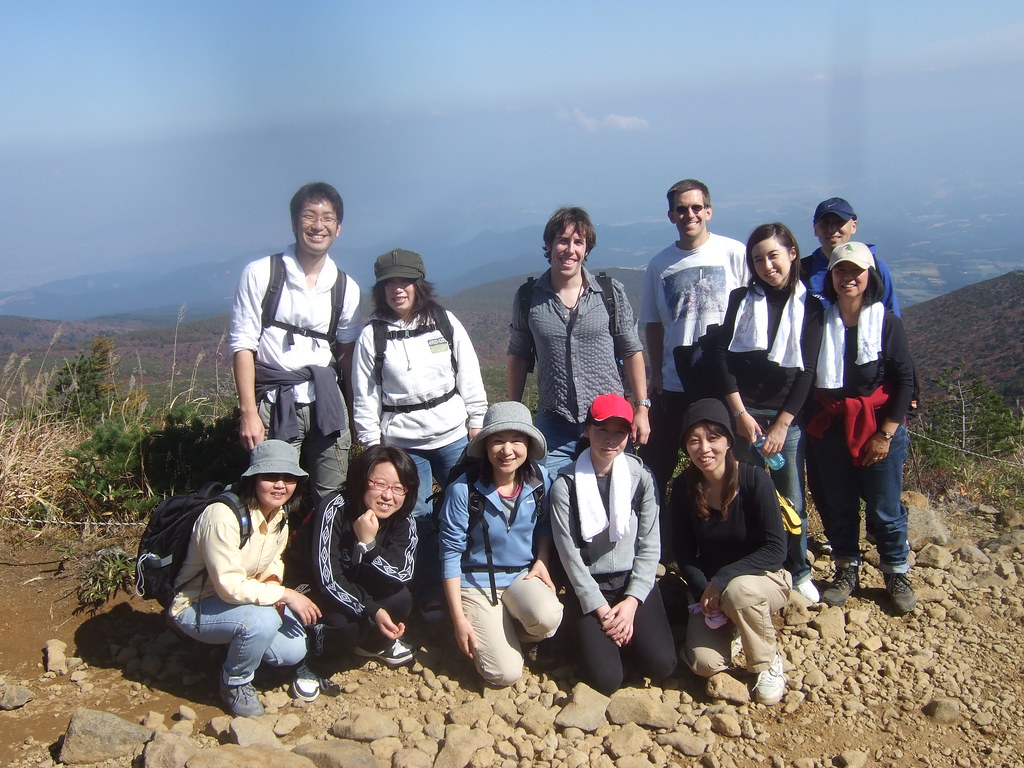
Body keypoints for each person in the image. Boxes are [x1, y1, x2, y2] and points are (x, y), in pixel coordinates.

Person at [352, 248, 488, 619]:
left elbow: (469, 374)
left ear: (419, 284)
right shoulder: (373, 335)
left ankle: (475, 582)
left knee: (470, 507)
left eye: (405, 281)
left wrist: (476, 421)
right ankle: (428, 591)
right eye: (389, 283)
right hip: (402, 443)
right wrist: (372, 447)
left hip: (452, 434)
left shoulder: (443, 321)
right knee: (418, 518)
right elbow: (366, 396)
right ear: (380, 289)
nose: (398, 290)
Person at [169, 440, 322, 717]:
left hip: (240, 601)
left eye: (289, 478)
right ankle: (235, 683)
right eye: (271, 477)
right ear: (253, 478)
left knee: (292, 650)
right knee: (261, 621)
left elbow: (273, 559)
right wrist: (285, 594)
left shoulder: (279, 514)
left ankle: (236, 647)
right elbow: (228, 587)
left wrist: (274, 584)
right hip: (197, 605)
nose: (280, 485)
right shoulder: (222, 516)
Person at [229, 182, 362, 502]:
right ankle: (270, 553)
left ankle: (323, 552)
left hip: (328, 404)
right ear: (293, 223)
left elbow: (346, 355)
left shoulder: (345, 287)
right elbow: (242, 345)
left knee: (332, 497)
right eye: (309, 216)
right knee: (273, 494)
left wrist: (356, 414)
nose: (318, 226)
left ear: (339, 228)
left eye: (328, 218)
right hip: (275, 403)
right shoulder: (262, 274)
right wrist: (248, 412)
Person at [805, 243, 917, 615]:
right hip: (834, 427)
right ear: (831, 277)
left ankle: (896, 571)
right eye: (840, 271)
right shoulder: (822, 323)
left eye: (856, 271)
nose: (848, 278)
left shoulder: (886, 323)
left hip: (878, 427)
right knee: (840, 503)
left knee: (885, 506)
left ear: (870, 276)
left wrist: (885, 434)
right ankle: (846, 568)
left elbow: (904, 381)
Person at [716, 223, 824, 602]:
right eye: (758, 259)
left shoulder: (810, 306)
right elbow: (724, 358)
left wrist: (782, 424)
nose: (766, 265)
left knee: (790, 496)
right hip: (744, 415)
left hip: (785, 420)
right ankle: (749, 561)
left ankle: (799, 568)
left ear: (792, 253)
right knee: (742, 490)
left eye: (773, 255)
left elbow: (806, 371)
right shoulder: (741, 299)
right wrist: (740, 413)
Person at [639, 179, 748, 551]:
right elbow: (652, 324)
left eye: (696, 207)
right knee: (658, 465)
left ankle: (724, 539)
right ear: (671, 215)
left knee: (721, 465)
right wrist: (655, 374)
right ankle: (659, 543)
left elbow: (751, 314)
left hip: (720, 382)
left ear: (709, 211)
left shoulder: (734, 253)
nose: (690, 214)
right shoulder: (660, 264)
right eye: (682, 209)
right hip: (673, 382)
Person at [507, 206, 650, 475]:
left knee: (613, 495)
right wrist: (515, 415)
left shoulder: (609, 293)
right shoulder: (528, 297)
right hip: (555, 421)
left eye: (578, 242)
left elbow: (631, 351)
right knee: (551, 496)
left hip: (608, 420)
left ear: (586, 249)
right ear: (549, 245)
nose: (569, 249)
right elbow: (518, 356)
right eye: (562, 240)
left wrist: (641, 409)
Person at [549, 394, 676, 694]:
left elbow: (649, 544)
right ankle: (590, 635)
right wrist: (602, 610)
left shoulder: (641, 477)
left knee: (663, 666)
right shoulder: (565, 484)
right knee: (607, 680)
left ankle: (630, 634)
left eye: (619, 431)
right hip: (591, 587)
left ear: (629, 435)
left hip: (632, 580)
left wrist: (631, 603)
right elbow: (569, 555)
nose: (610, 439)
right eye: (602, 429)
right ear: (587, 430)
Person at [672, 399, 790, 706]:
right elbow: (684, 552)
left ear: (727, 441)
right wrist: (704, 592)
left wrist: (722, 580)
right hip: (712, 591)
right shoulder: (683, 489)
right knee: (704, 665)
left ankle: (766, 662)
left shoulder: (754, 479)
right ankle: (738, 625)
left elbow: (776, 549)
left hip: (763, 579)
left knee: (740, 591)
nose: (704, 449)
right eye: (694, 440)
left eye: (713, 438)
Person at [438, 401, 563, 687]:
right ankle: (487, 624)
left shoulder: (539, 480)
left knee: (549, 617)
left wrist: (542, 559)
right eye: (497, 441)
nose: (507, 451)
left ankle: (507, 626)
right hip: (475, 581)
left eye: (516, 440)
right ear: (485, 447)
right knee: (504, 674)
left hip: (521, 575)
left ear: (529, 445)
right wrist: (458, 619)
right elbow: (450, 554)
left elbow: (544, 524)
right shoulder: (463, 490)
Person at [287, 445, 420, 668]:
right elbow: (328, 579)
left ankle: (370, 646)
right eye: (379, 484)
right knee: (345, 623)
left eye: (399, 488)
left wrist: (370, 546)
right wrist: (372, 609)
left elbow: (402, 574)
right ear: (361, 480)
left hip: (354, 582)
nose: (388, 495)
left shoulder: (404, 520)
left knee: (400, 599)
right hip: (310, 584)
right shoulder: (333, 509)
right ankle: (314, 662)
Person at [800, 197, 901, 314]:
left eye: (839, 222)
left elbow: (892, 318)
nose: (832, 229)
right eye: (825, 223)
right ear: (815, 229)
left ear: (853, 226)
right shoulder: (802, 270)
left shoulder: (876, 268)